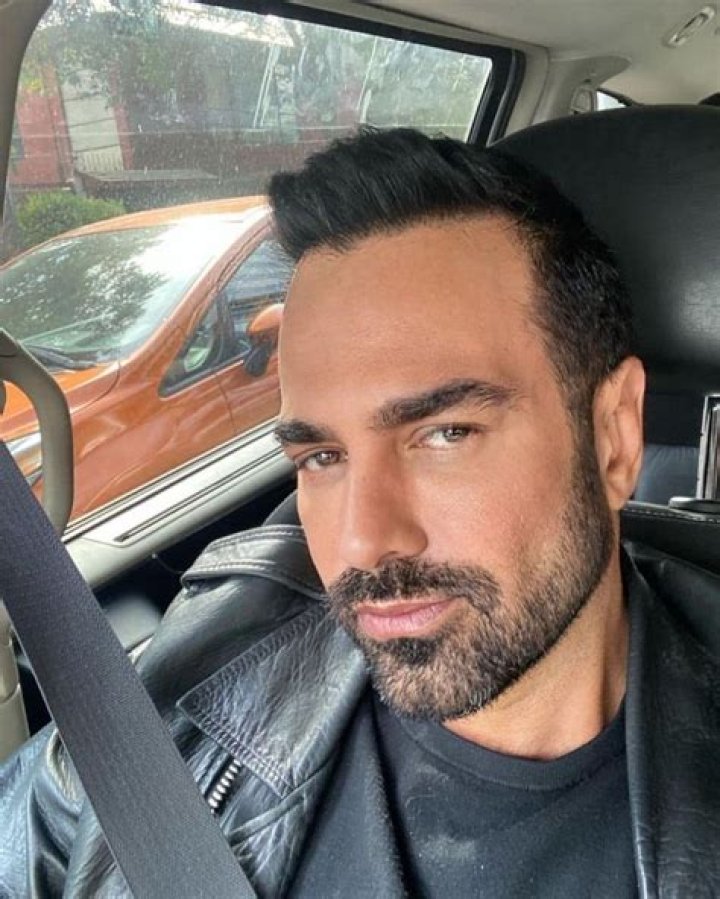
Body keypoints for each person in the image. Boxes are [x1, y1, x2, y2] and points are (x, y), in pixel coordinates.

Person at [1, 128, 718, 897]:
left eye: (445, 434)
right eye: (322, 456)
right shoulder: (198, 693)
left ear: (613, 438)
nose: (362, 541)